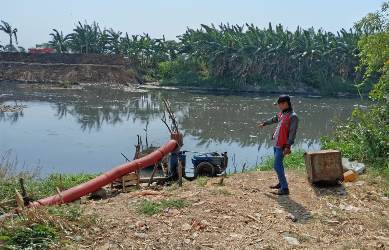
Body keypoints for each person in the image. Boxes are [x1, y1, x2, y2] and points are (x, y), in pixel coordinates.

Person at [258, 95, 298, 195]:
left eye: (279, 104)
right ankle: (281, 183)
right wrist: (264, 123)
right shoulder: (282, 114)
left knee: (276, 165)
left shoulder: (293, 116)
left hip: (283, 145)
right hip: (276, 143)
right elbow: (274, 119)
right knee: (279, 165)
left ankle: (285, 188)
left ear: (285, 104)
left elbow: (292, 133)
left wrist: (288, 146)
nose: (278, 106)